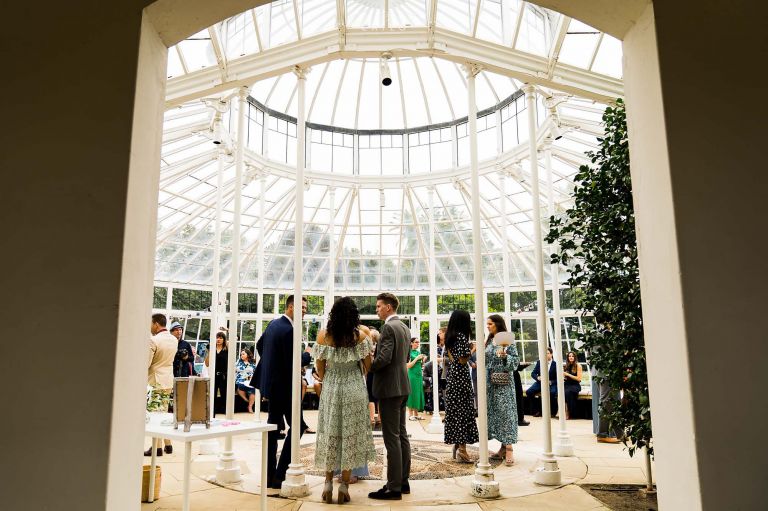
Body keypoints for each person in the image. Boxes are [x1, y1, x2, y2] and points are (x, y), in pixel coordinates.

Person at [312, 297, 376, 504]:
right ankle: (344, 486)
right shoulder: (360, 336)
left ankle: (328, 483)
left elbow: (320, 368)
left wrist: (326, 378)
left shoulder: (323, 335)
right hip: (354, 388)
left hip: (331, 386)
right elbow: (369, 366)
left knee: (331, 434)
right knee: (350, 436)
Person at [257, 295, 308, 490]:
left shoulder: (272, 325)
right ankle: (280, 474)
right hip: (286, 388)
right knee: (298, 427)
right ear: (291, 307)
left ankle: (269, 475)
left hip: (272, 385)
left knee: (272, 428)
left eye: (305, 308)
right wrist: (307, 356)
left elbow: (260, 346)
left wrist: (272, 365)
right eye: (302, 308)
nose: (304, 311)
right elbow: (293, 361)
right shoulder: (290, 330)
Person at [368, 293, 412, 501]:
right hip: (403, 385)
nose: (376, 309)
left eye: (378, 306)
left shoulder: (387, 328)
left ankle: (393, 488)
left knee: (391, 438)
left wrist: (369, 365)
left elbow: (384, 358)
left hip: (389, 389)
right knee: (401, 435)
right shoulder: (404, 327)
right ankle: (403, 482)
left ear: (388, 307)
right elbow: (403, 358)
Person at [443, 310, 479, 463]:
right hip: (461, 378)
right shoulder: (462, 337)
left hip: (453, 378)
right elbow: (463, 360)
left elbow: (452, 358)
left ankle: (457, 446)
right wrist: (473, 349)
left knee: (455, 411)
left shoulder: (450, 337)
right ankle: (462, 450)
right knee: (464, 412)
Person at [485, 314, 519, 466]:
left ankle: (509, 447)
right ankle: (502, 446)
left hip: (504, 382)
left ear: (498, 324)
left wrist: (505, 357)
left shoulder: (508, 341)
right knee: (496, 413)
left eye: (490, 324)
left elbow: (515, 363)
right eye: (487, 324)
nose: (488, 326)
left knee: (506, 413)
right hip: (490, 383)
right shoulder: (489, 341)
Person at [145, 313, 177, 456]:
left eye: (151, 324)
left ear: (156, 324)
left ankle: (156, 448)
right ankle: (168, 445)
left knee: (154, 415)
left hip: (155, 381)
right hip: (168, 379)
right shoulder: (173, 339)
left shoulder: (154, 340)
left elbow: (147, 363)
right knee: (163, 413)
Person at [526, 347, 557, 417]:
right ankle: (537, 410)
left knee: (552, 393)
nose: (546, 355)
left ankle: (552, 412)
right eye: (544, 353)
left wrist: (551, 382)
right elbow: (533, 373)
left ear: (551, 354)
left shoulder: (555, 364)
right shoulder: (539, 362)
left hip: (551, 383)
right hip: (540, 383)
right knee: (529, 392)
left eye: (548, 353)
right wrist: (537, 377)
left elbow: (558, 378)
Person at [205, 331, 228, 416]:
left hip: (224, 376)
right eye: (217, 337)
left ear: (224, 339)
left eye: (221, 338)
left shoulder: (226, 349)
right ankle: (212, 414)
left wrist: (227, 331)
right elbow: (207, 364)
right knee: (212, 395)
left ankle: (226, 414)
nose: (218, 339)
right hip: (214, 375)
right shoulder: (212, 349)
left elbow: (232, 342)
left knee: (224, 395)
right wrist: (210, 351)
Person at [406, 337, 427, 420]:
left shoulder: (418, 352)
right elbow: (408, 365)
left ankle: (416, 414)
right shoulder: (408, 353)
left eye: (418, 342)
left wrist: (423, 360)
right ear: (411, 343)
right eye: (416, 342)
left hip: (418, 375)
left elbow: (420, 365)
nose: (418, 344)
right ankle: (410, 415)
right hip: (412, 375)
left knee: (418, 393)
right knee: (412, 393)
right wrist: (417, 358)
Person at [559, 351, 583, 419]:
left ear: (575, 357)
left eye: (572, 356)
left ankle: (568, 412)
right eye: (569, 356)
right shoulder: (566, 365)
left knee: (568, 393)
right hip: (567, 384)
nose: (571, 357)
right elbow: (566, 378)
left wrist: (568, 374)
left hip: (575, 385)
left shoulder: (578, 366)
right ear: (568, 357)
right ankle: (562, 411)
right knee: (559, 392)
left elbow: (579, 379)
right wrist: (564, 377)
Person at [366, 329, 380, 429]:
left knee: (370, 395)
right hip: (379, 372)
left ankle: (371, 419)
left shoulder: (368, 346)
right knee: (379, 396)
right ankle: (379, 418)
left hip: (371, 371)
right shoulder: (380, 346)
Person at [235, 349, 257, 413]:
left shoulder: (253, 363)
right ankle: (246, 400)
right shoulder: (238, 362)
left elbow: (255, 372)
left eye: (243, 354)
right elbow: (234, 370)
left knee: (254, 389)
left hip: (249, 380)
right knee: (239, 387)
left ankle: (250, 406)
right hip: (240, 380)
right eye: (241, 354)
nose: (242, 355)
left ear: (248, 355)